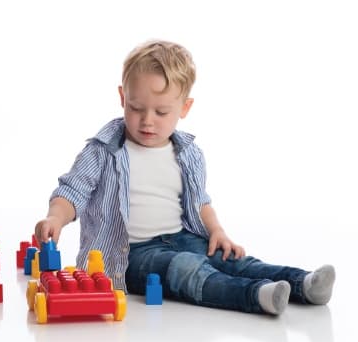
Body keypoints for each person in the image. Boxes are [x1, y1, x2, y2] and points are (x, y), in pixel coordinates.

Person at [34, 40, 335, 315]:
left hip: (183, 237)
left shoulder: (187, 153)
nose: (147, 120)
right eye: (136, 107)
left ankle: (304, 284)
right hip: (131, 254)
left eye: (161, 112)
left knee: (233, 261)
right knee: (185, 270)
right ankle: (258, 296)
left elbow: (200, 201)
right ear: (122, 97)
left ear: (184, 108)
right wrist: (55, 219)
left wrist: (217, 230)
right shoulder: (103, 150)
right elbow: (73, 192)